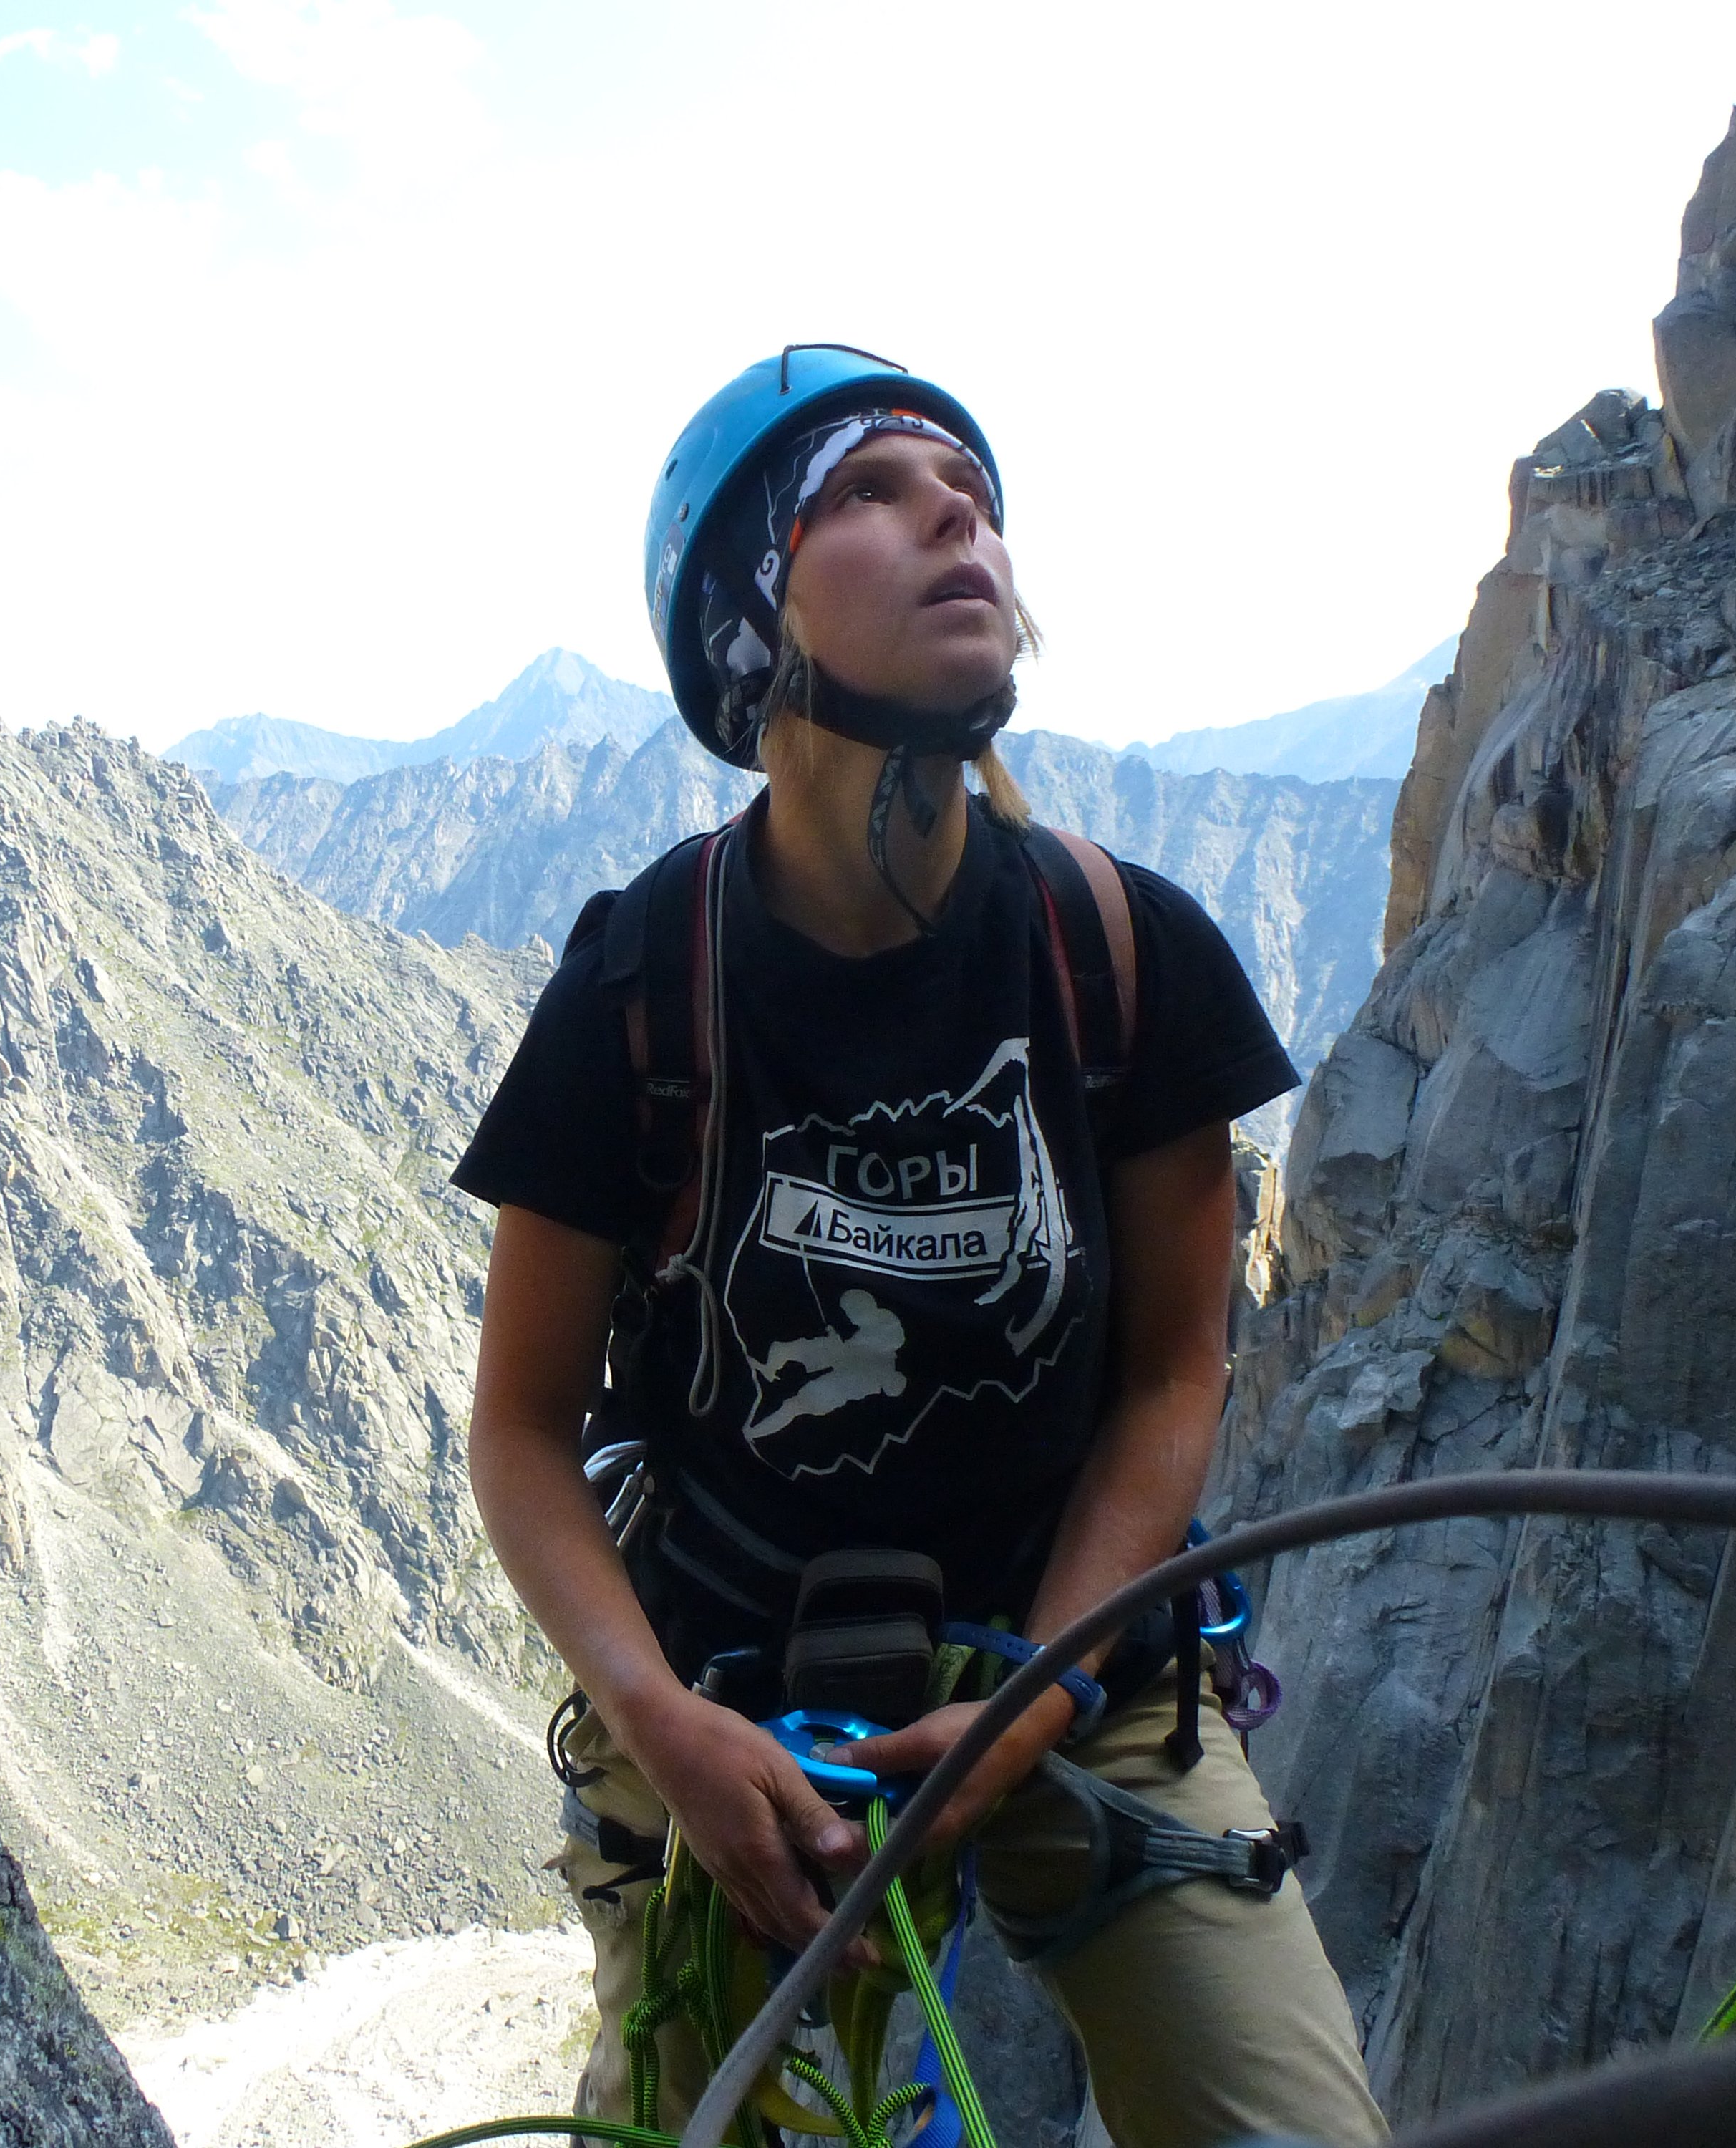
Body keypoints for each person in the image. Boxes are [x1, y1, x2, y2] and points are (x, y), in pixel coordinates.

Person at [452, 347, 1389, 2148]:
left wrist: (1032, 1706)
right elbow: (519, 1432)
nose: (953, 508)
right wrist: (652, 1723)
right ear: (748, 622)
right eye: (867, 493)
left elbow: (1172, 1374)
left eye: (963, 485)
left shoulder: (1126, 958)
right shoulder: (641, 988)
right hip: (737, 1703)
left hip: (1082, 1663)